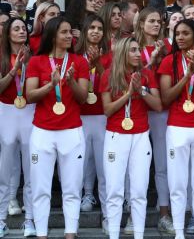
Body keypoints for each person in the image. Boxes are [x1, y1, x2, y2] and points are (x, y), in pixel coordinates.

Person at [25, 16, 89, 239]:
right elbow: (30, 95)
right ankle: (41, 234)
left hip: (71, 131)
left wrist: (70, 82)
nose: (69, 36)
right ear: (53, 36)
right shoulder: (37, 61)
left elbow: (82, 98)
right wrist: (51, 85)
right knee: (41, 188)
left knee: (72, 188)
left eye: (70, 32)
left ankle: (70, 233)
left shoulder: (79, 62)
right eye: (64, 32)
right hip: (42, 132)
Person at [100, 37, 162, 239]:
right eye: (133, 50)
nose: (138, 54)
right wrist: (128, 94)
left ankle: (139, 235)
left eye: (138, 50)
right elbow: (108, 110)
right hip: (116, 135)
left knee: (139, 191)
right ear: (122, 53)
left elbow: (158, 105)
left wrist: (141, 91)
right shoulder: (109, 75)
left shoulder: (146, 74)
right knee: (115, 190)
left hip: (140, 136)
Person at [158, 19, 194, 239]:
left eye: (185, 33)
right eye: (177, 33)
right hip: (177, 127)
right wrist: (186, 75)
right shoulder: (168, 61)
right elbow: (166, 98)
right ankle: (179, 232)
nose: (180, 37)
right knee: (178, 182)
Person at [134, 6, 174, 233]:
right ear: (141, 23)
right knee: (135, 164)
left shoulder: (168, 47)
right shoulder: (132, 46)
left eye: (159, 21)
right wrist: (152, 60)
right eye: (151, 21)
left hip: (160, 111)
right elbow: (131, 75)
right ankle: (132, 213)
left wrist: (161, 58)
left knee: (162, 164)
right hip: (137, 108)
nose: (157, 24)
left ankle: (164, 213)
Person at [74, 14, 111, 234]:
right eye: (92, 28)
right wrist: (88, 63)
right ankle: (86, 194)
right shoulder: (76, 56)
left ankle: (108, 212)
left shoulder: (108, 56)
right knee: (81, 161)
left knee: (103, 163)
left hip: (101, 115)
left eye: (99, 28)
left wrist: (97, 63)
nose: (96, 31)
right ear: (85, 30)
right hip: (79, 115)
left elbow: (112, 81)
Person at [0, 17, 36, 237]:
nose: (22, 31)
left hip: (30, 112)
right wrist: (14, 70)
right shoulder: (2, 57)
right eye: (16, 28)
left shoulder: (35, 58)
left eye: (24, 28)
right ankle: (1, 218)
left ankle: (30, 220)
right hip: (6, 111)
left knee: (31, 169)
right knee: (5, 170)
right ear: (8, 33)